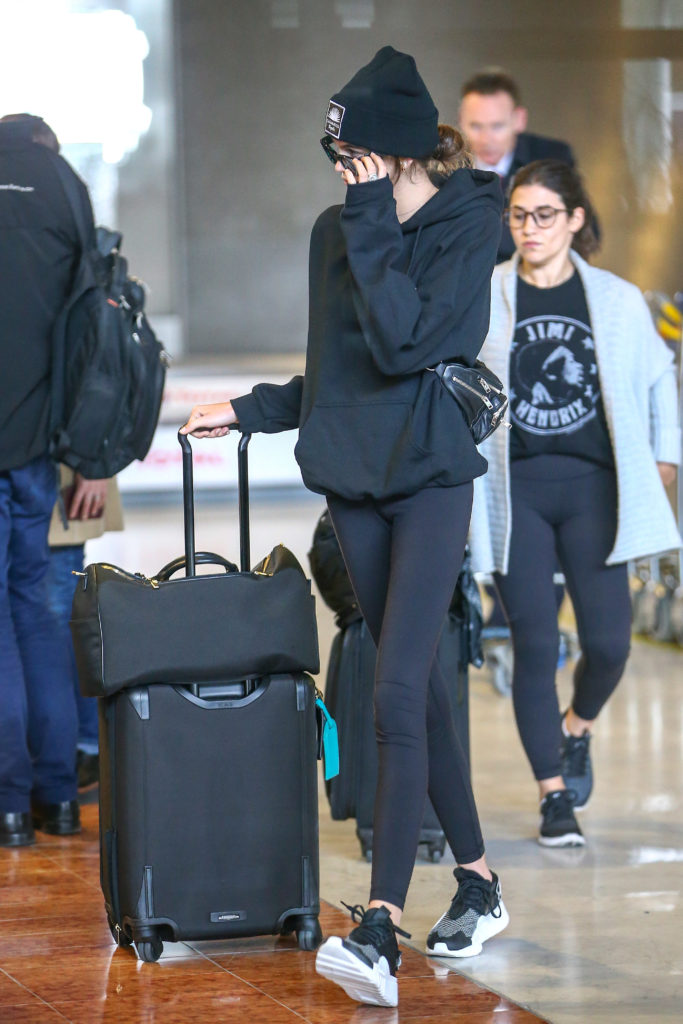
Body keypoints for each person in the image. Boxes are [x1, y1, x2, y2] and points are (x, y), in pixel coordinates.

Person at [181, 46, 509, 1009]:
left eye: (355, 153)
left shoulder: (467, 224)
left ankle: (378, 927)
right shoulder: (339, 227)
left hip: (433, 480)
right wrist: (249, 409)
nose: (341, 171)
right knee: (416, 696)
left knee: (394, 689)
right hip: (355, 482)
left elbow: (413, 341)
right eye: (334, 155)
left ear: (401, 150)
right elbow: (341, 367)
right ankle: (481, 886)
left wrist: (371, 217)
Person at [469, 159, 681, 848]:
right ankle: (553, 795)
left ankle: (575, 728)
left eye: (543, 216)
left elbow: (659, 380)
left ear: (574, 219)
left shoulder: (615, 300)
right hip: (517, 489)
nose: (528, 229)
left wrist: (666, 454)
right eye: (518, 216)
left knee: (610, 644)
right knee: (533, 642)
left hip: (594, 487)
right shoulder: (489, 295)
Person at [0, 113, 95, 846]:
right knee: (39, 615)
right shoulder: (66, 188)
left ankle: (6, 803)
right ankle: (57, 796)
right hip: (43, 447)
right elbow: (94, 328)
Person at [46, 469, 124, 790]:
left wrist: (95, 465)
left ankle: (88, 745)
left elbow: (98, 415)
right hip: (33, 470)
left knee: (61, 618)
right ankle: (71, 749)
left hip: (66, 472)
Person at [459, 69, 576, 263]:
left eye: (497, 126)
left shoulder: (552, 158)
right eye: (476, 126)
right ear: (461, 121)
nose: (486, 139)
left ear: (519, 120)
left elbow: (583, 233)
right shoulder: (446, 164)